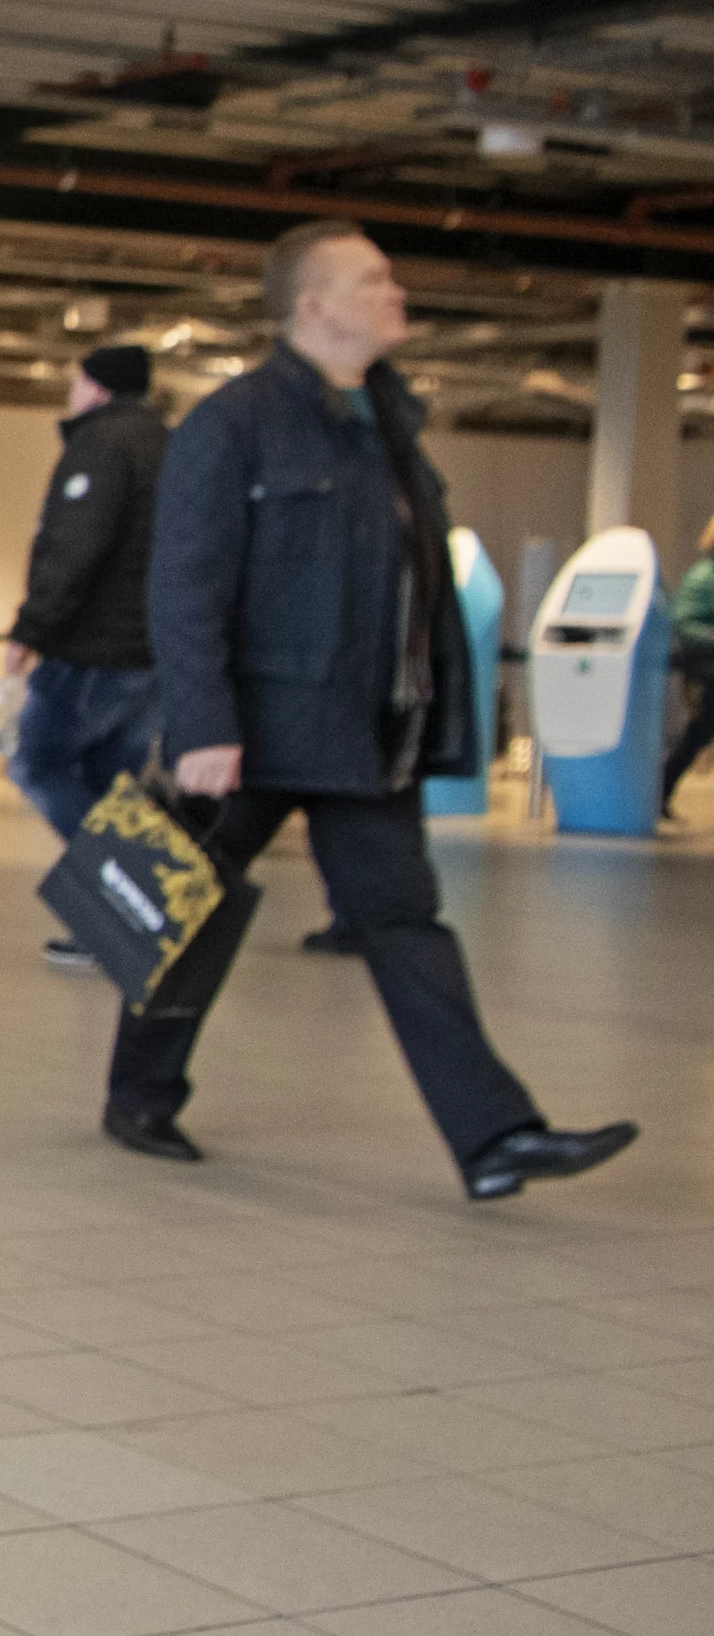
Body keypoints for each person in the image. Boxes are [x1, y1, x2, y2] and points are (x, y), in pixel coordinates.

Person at [107, 219, 637, 1201]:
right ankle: (138, 1094)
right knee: (186, 906)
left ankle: (494, 1138)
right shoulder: (236, 424)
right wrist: (203, 722)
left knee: (405, 924)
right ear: (312, 306)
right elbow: (184, 583)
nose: (397, 293)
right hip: (256, 732)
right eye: (374, 279)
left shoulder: (389, 425)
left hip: (360, 733)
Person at [7, 346, 169, 965]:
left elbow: (73, 548)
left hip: (92, 649)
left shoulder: (99, 447)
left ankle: (129, 898)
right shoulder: (170, 447)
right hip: (151, 651)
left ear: (97, 388)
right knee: (116, 788)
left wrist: (31, 630)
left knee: (39, 763)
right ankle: (129, 923)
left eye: (77, 383)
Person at [666, 512, 714, 821]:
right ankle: (659, 791)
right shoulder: (704, 577)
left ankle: (660, 792)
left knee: (698, 733)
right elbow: (685, 624)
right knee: (698, 733)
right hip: (707, 672)